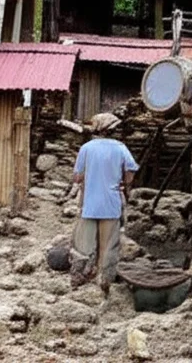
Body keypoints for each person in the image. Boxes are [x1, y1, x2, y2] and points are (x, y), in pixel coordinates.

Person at [70, 112, 138, 294]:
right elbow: (130, 172)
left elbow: (77, 177)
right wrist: (123, 182)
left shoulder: (86, 148)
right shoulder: (121, 148)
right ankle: (105, 280)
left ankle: (78, 278)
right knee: (108, 246)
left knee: (83, 244)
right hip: (111, 204)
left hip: (89, 204)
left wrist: (88, 178)